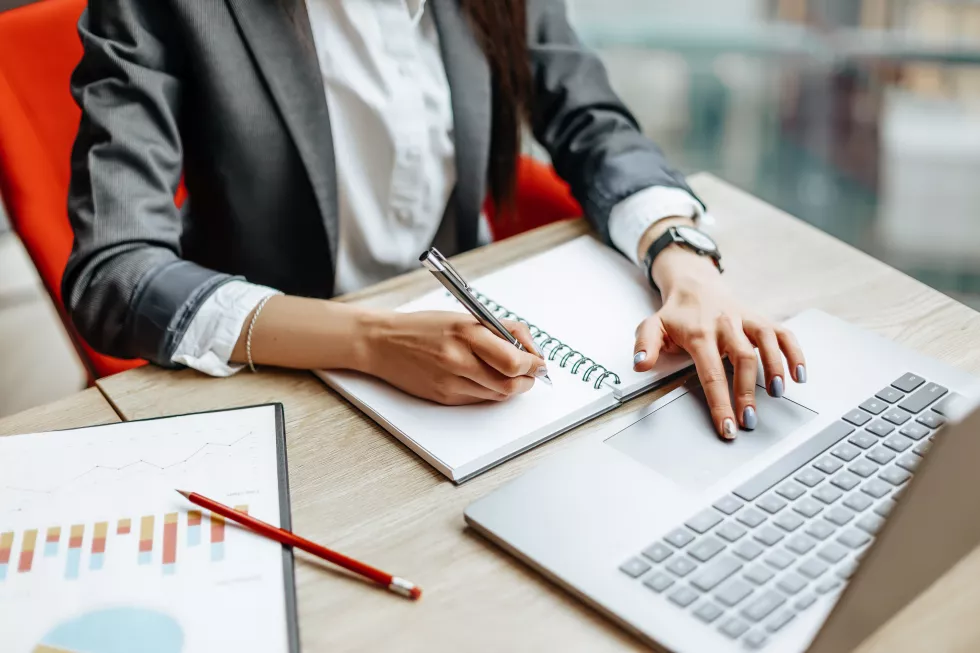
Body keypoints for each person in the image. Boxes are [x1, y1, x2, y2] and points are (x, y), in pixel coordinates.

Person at [64, 0, 805, 439]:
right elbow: (115, 272)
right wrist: (369, 340)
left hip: (480, 352)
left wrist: (682, 258)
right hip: (284, 373)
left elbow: (592, 121)